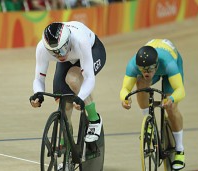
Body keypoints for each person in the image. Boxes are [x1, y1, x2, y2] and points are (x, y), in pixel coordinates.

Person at [30, 21, 106, 143]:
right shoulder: (42, 49)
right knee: (62, 102)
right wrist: (38, 93)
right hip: (69, 59)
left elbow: (89, 78)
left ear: (68, 41)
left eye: (61, 49)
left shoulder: (81, 41)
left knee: (73, 79)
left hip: (92, 50)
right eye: (53, 52)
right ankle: (68, 154)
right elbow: (39, 79)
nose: (59, 55)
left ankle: (94, 119)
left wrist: (80, 97)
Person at [120, 39, 186, 170]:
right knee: (141, 83)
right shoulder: (133, 65)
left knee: (171, 108)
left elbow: (181, 90)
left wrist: (171, 98)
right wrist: (124, 99)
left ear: (156, 65)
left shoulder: (168, 63)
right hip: (156, 62)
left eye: (149, 69)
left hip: (170, 66)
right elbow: (125, 89)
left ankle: (180, 149)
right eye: (142, 69)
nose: (146, 72)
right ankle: (148, 122)